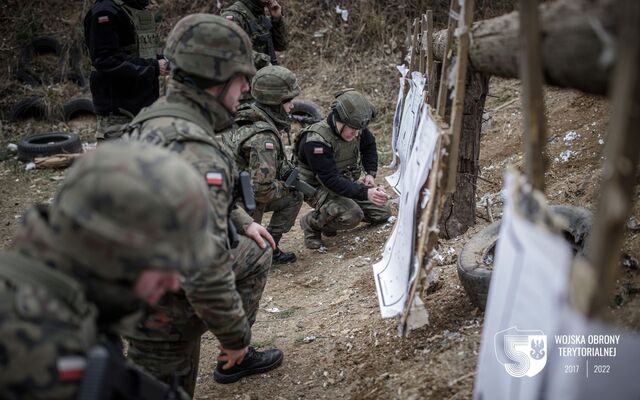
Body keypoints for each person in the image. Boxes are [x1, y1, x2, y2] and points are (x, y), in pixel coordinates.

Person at [120, 14, 283, 394]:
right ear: (215, 78)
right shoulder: (196, 151)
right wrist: (234, 336)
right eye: (241, 77)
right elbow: (205, 271)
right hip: (161, 310)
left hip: (139, 283)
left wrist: (242, 221)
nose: (246, 88)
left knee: (254, 249)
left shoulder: (153, 121)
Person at [0, 141, 214, 399]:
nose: (172, 282)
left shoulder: (64, 299)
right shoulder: (44, 352)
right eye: (163, 264)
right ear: (109, 254)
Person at [294, 89, 392, 249]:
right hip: (318, 188)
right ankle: (311, 224)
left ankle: (330, 222)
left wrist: (370, 173)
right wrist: (365, 193)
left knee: (382, 212)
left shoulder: (355, 126)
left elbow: (369, 146)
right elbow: (330, 180)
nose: (355, 134)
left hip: (343, 182)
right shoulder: (315, 141)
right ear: (338, 120)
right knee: (353, 215)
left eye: (358, 131)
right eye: (352, 131)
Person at [225, 65, 303, 264]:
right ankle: (265, 247)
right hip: (238, 205)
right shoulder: (263, 138)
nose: (292, 106)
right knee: (292, 194)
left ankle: (269, 245)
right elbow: (262, 190)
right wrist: (286, 185)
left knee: (293, 194)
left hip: (226, 196)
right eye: (288, 101)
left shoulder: (246, 115)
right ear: (275, 103)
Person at [84, 0, 168, 141]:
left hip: (143, 109)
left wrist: (163, 60)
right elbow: (105, 59)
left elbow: (137, 54)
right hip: (119, 115)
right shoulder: (105, 11)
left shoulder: (134, 7)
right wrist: (153, 67)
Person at [221, 0, 288, 66]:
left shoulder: (260, 15)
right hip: (244, 74)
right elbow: (230, 49)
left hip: (265, 73)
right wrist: (263, 61)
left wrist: (277, 19)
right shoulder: (234, 15)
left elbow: (281, 46)